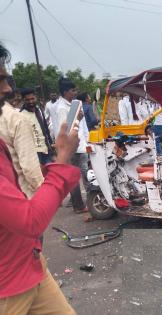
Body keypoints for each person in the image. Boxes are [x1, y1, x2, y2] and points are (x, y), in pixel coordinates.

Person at [0, 40, 79, 315]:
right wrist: (61, 163)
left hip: (29, 263)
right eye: (0, 79)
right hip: (7, 287)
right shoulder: (18, 119)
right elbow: (30, 219)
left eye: (7, 79)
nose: (8, 89)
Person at [0, 89, 44, 198]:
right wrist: (43, 193)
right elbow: (29, 167)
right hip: (19, 193)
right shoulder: (16, 117)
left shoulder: (38, 111)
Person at [57, 77, 89, 213]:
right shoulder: (61, 108)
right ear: (65, 92)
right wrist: (78, 118)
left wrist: (88, 140)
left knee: (87, 174)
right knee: (75, 178)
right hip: (72, 147)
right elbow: (66, 128)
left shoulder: (76, 103)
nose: (75, 92)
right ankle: (78, 206)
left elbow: (83, 125)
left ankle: (90, 201)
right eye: (72, 90)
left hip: (82, 144)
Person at [20, 88, 54, 165]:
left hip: (46, 149)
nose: (31, 101)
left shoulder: (39, 110)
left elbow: (46, 129)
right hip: (34, 153)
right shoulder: (21, 115)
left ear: (36, 98)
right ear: (23, 100)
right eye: (27, 100)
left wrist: (51, 145)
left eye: (32, 98)